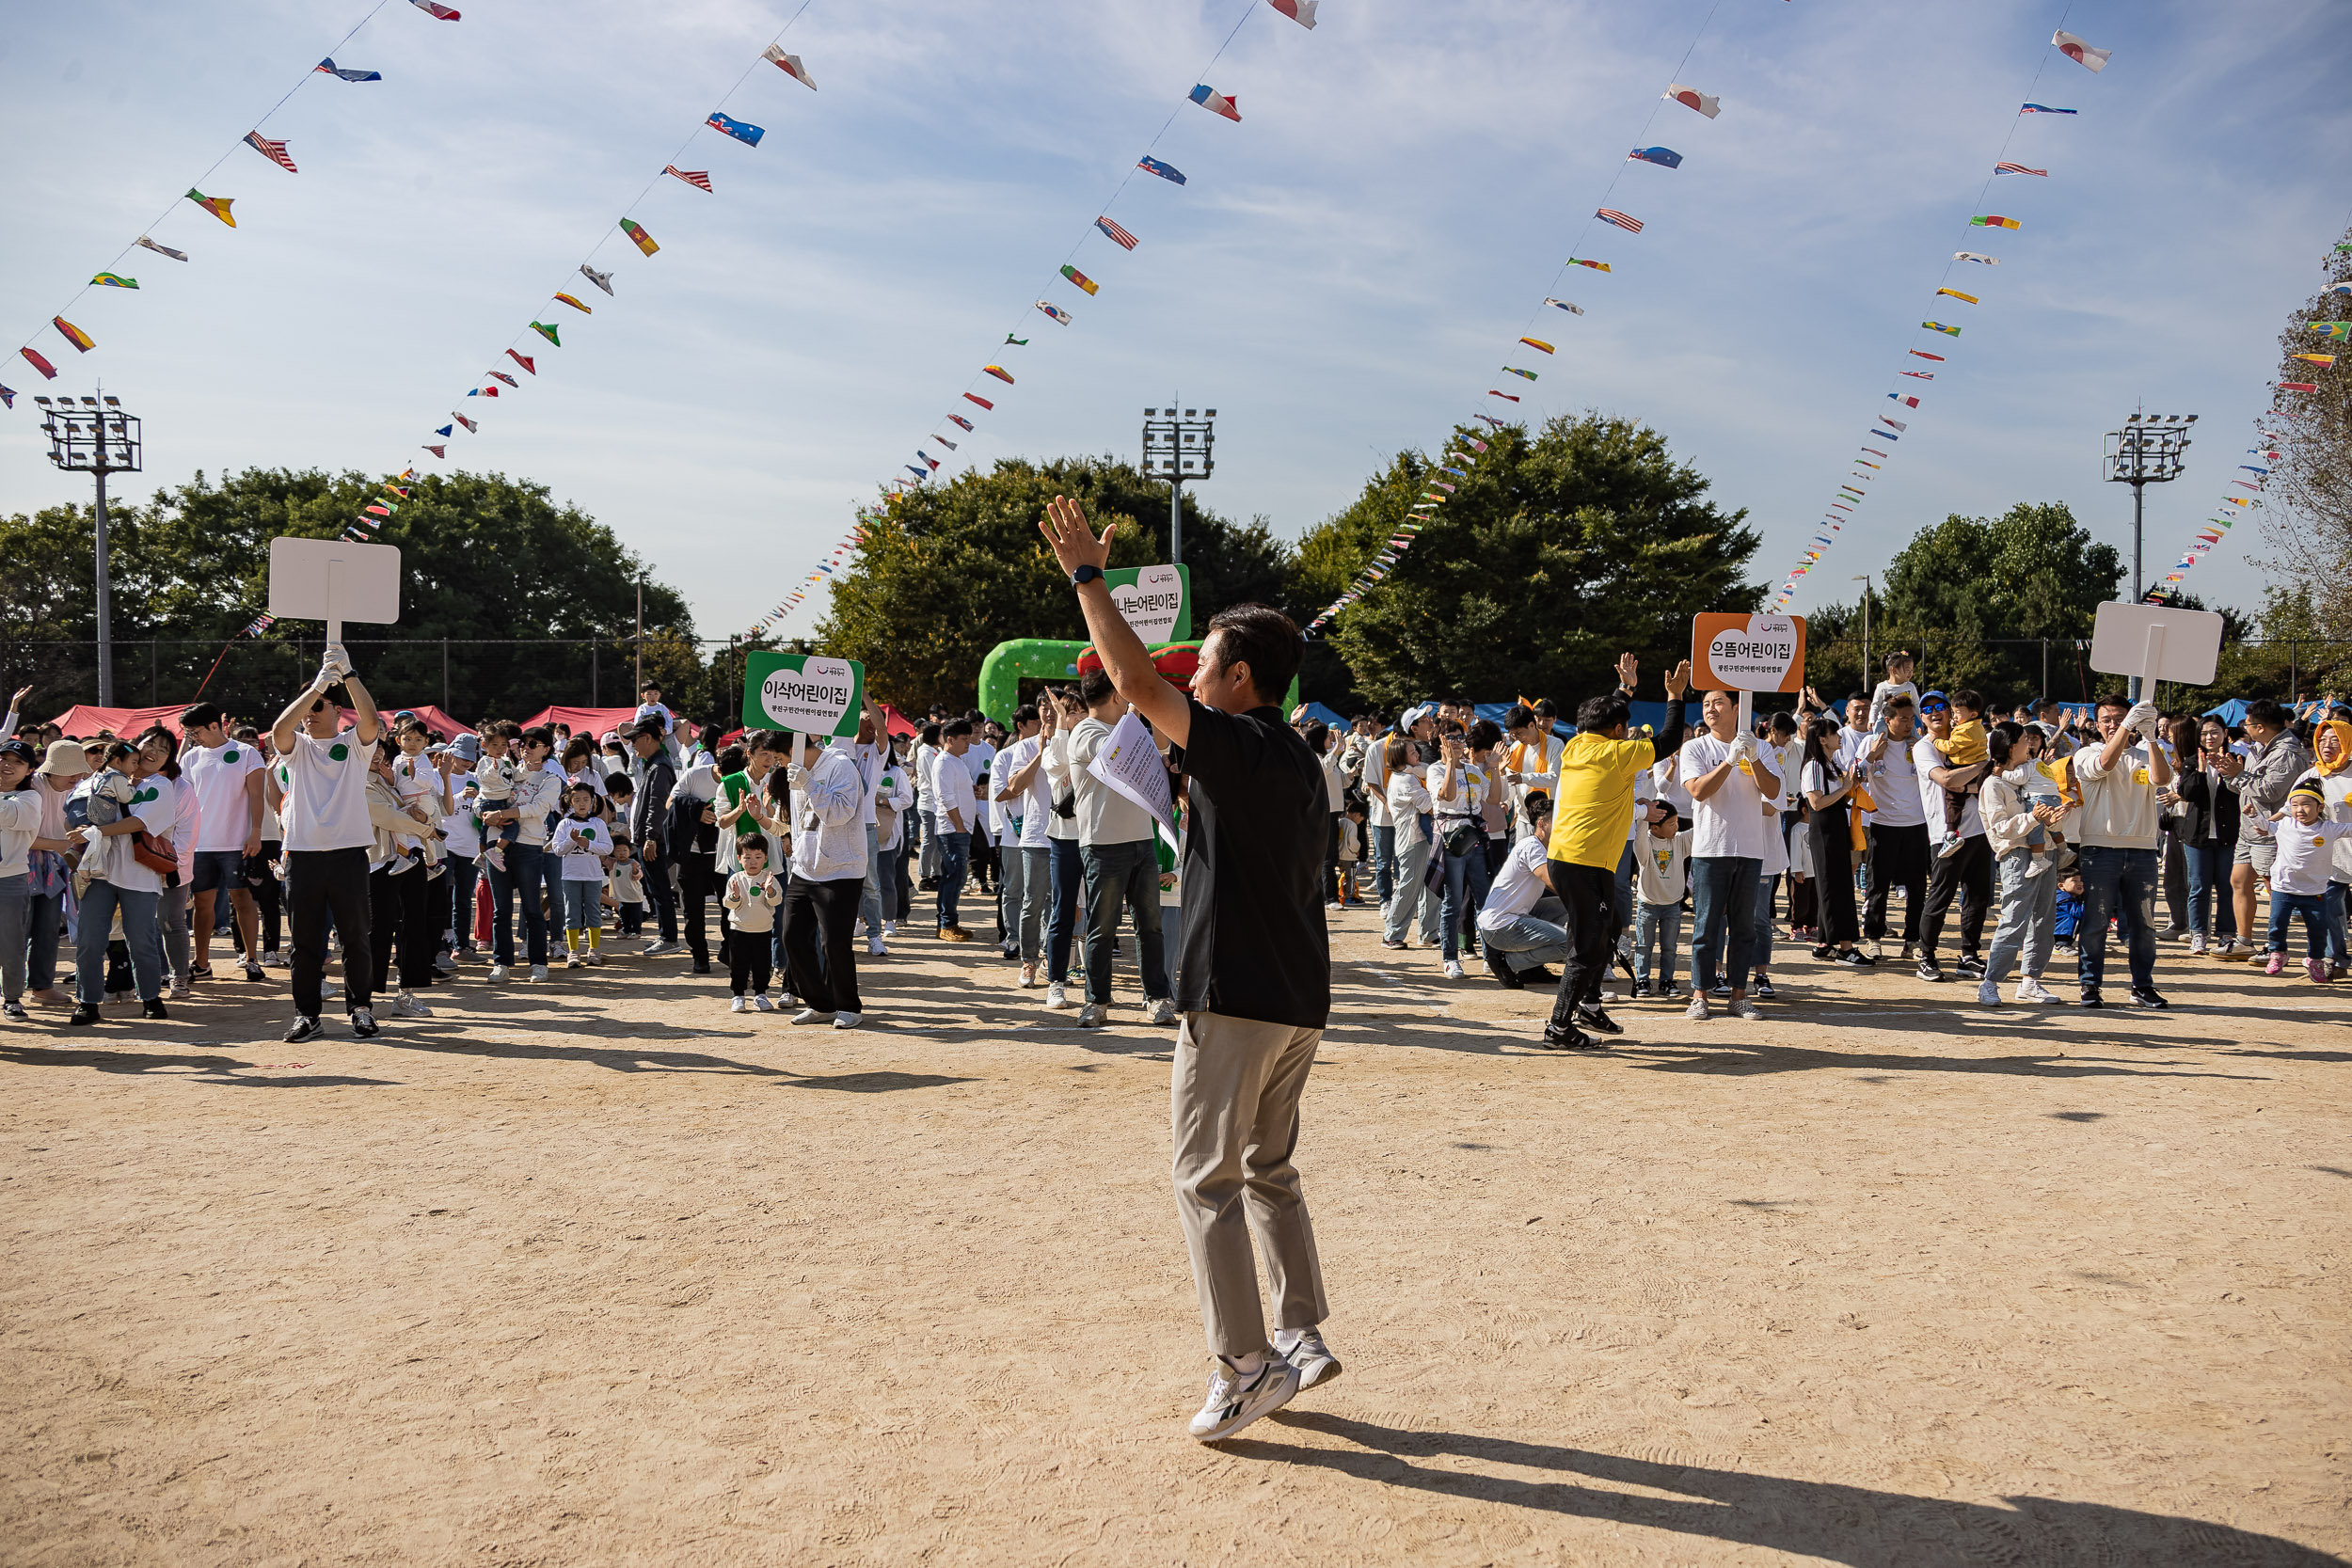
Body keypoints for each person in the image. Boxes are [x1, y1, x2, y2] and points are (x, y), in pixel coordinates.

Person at [1041, 493, 1334, 1444]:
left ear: (1241, 676)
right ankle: (1298, 1332)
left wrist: (1089, 576)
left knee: (1203, 1177)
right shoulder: (1290, 753)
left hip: (1239, 992)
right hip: (1294, 996)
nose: (1189, 674)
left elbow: (1126, 675)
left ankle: (1245, 1365)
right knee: (1265, 1164)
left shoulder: (1240, 740)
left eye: (1204, 661)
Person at [1543, 654, 1691, 1049]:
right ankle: (1558, 1026)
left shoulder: (1576, 746)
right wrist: (1675, 696)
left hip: (1576, 860)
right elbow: (1670, 741)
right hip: (1583, 863)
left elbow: (1603, 721)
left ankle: (1589, 1004)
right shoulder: (1619, 753)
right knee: (1588, 945)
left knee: (1605, 930)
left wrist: (1624, 689)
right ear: (1621, 730)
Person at [270, 648, 382, 1040]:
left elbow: (372, 721)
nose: (310, 712)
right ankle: (307, 1015)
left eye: (319, 705)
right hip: (302, 856)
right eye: (307, 707)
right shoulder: (297, 748)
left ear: (338, 710)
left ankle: (361, 1009)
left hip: (349, 854)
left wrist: (348, 673)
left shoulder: (354, 745)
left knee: (355, 938)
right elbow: (278, 731)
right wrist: (317, 684)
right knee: (304, 943)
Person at [1067, 671, 1174, 1026]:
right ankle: (1096, 1001)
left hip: (1141, 841)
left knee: (1150, 926)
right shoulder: (1085, 731)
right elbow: (1115, 754)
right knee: (1103, 927)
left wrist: (1154, 709)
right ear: (1115, 696)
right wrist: (1138, 710)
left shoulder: (1131, 727)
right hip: (1102, 844)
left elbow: (1160, 750)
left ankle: (1157, 998)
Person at [65, 728, 181, 1024]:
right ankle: (88, 1001)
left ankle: (152, 998)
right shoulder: (98, 780)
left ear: (169, 759)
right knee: (90, 940)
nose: (153, 751)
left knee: (141, 940)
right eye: (149, 743)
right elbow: (72, 812)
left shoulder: (159, 786)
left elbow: (139, 822)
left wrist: (94, 831)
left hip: (139, 874)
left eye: (163, 749)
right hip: (98, 873)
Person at [1680, 689, 1780, 1021]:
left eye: (1718, 702)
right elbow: (1698, 790)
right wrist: (1729, 760)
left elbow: (1774, 791)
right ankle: (1700, 994)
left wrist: (1752, 758)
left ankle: (1739, 995)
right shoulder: (1696, 746)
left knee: (1744, 928)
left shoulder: (1760, 746)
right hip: (1710, 848)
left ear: (1737, 708)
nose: (1710, 709)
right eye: (1706, 704)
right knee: (1706, 926)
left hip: (1750, 849)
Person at [2071, 692, 2171, 1008]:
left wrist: (2152, 737)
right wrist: (2127, 727)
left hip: (2142, 849)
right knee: (2096, 921)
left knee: (2144, 924)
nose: (2113, 725)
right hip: (2100, 849)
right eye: (2107, 720)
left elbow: (2162, 778)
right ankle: (2090, 985)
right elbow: (2105, 764)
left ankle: (2142, 985)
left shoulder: (2143, 752)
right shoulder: (2087, 753)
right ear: (2096, 724)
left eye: (2120, 718)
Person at [778, 727, 869, 1027]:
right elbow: (803, 819)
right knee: (792, 937)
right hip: (804, 868)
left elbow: (841, 813)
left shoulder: (841, 766)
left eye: (778, 756)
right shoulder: (795, 771)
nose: (777, 763)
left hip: (841, 868)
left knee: (834, 942)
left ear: (793, 749)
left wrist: (809, 784)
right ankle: (821, 1004)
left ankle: (849, 1007)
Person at [1976, 722, 2067, 1005]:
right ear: (2011, 746)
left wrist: (2053, 817)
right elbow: (2000, 827)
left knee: (2044, 920)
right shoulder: (1994, 784)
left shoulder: (2028, 775)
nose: (2031, 744)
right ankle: (1990, 982)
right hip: (2017, 856)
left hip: (2046, 853)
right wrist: (2034, 818)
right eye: (2026, 740)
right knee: (2014, 920)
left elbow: (2045, 814)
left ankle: (2030, 981)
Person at [178, 703, 267, 985]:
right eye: (189, 732)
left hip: (237, 842)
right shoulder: (190, 758)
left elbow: (256, 796)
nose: (193, 737)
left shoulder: (246, 753)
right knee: (203, 903)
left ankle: (251, 959)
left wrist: (255, 832)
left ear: (215, 725)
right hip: (200, 843)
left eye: (196, 731)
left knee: (243, 899)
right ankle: (201, 963)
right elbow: (183, 799)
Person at [2220, 700, 2312, 959]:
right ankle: (2243, 941)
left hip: (2273, 832)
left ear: (2260, 727)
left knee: (2276, 891)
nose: (2245, 727)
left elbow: (2272, 790)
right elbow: (2245, 786)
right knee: (2239, 881)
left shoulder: (2288, 752)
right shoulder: (2257, 748)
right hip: (2249, 830)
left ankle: (2276, 946)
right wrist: (2229, 773)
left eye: (2247, 724)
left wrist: (2239, 775)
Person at [1914, 691, 1993, 984]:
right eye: (1927, 710)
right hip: (1946, 835)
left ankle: (1969, 956)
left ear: (1952, 712)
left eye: (1940, 707)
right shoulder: (1925, 748)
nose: (1935, 713)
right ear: (1923, 718)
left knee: (1978, 897)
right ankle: (1926, 956)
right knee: (1940, 896)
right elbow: (1947, 780)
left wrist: (1973, 778)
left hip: (1980, 829)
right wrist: (1982, 766)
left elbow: (1981, 782)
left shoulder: (1968, 737)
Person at [366, 737, 443, 1014]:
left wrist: (422, 821)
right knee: (379, 929)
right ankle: (365, 999)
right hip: (380, 863)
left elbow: (421, 808)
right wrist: (425, 829)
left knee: (415, 925)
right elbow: (387, 817)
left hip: (413, 857)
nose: (377, 759)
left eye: (380, 754)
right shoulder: (358, 784)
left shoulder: (392, 781)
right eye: (371, 754)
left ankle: (406, 994)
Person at [2162, 716, 2240, 957]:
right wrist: (2201, 771)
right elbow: (2187, 793)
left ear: (2225, 733)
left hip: (2228, 834)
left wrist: (2227, 772)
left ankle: (2226, 933)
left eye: (2214, 732)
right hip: (2197, 834)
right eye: (2205, 733)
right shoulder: (2191, 762)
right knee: (2198, 887)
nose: (2209, 738)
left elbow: (2239, 791)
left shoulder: (2236, 760)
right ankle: (2198, 934)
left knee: (2227, 887)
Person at [1859, 694, 1928, 959]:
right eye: (1903, 718)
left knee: (1917, 886)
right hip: (1882, 823)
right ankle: (1874, 937)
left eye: (1912, 718)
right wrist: (1874, 755)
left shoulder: (1920, 745)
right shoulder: (1871, 743)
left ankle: (1913, 940)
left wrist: (1917, 751)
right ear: (1888, 720)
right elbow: (1855, 776)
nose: (1909, 723)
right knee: (1878, 884)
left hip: (1916, 823)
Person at [23, 739, 90, 1005]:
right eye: (70, 771)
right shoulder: (30, 787)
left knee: (48, 927)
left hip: (55, 866)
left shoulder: (76, 790)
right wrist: (61, 846)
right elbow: (17, 837)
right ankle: (13, 988)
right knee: (15, 929)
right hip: (20, 865)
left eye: (78, 771)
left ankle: (41, 986)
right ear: (52, 769)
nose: (77, 777)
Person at [1475, 794, 1565, 988]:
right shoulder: (1532, 847)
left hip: (1516, 915)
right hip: (1500, 926)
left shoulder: (1547, 847)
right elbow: (1553, 883)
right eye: (1557, 820)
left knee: (1564, 906)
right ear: (1541, 824)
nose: (1562, 825)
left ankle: (1530, 969)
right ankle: (1509, 962)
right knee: (1569, 943)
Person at [993, 703, 1055, 986]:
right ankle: (1028, 959)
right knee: (1032, 900)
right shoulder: (1025, 747)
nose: (1050, 713)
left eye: (1056, 707)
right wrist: (1041, 754)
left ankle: (1052, 958)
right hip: (1034, 835)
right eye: (1044, 707)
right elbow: (1014, 786)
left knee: (1061, 903)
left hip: (1069, 835)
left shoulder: (1074, 741)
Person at [1799, 716, 1867, 968]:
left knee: (1835, 884)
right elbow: (1815, 802)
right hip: (1825, 829)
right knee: (1834, 887)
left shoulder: (1828, 764)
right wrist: (1844, 788)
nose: (1839, 737)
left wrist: (1849, 785)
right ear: (1822, 739)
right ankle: (1845, 948)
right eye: (1834, 733)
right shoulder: (1814, 765)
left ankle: (1824, 944)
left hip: (1835, 827)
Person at [2264, 783, 2348, 979]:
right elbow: (2266, 826)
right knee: (2277, 923)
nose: (2300, 809)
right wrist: (2252, 816)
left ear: (2320, 807)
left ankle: (2315, 960)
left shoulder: (2329, 828)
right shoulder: (2284, 824)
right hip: (2283, 888)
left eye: (2306, 804)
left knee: (2318, 930)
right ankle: (2278, 954)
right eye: (2294, 805)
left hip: (2315, 891)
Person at [1430, 725, 1493, 980]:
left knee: (1485, 899)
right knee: (1452, 901)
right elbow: (1447, 795)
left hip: (1474, 836)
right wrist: (1450, 764)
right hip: (1451, 839)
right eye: (1451, 738)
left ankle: (1491, 957)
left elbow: (1494, 797)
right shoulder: (1434, 769)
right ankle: (1450, 959)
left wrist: (1497, 769)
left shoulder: (1474, 770)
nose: (1457, 742)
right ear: (1440, 742)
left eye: (1460, 738)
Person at [621, 721, 681, 957]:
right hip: (651, 838)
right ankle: (666, 936)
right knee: (657, 889)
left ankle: (668, 938)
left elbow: (657, 806)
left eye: (635, 739)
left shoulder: (659, 766)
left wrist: (651, 838)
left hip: (654, 840)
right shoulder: (655, 764)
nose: (632, 744)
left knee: (660, 890)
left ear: (647, 737)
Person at [549, 781, 615, 967]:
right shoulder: (565, 824)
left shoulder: (598, 823)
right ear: (570, 802)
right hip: (570, 876)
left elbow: (608, 847)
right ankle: (573, 951)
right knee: (572, 914)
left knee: (593, 912)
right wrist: (572, 841)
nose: (581, 803)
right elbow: (557, 849)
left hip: (593, 876)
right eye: (577, 800)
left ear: (592, 801)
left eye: (586, 799)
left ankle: (593, 949)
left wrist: (589, 844)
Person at [1378, 733, 1434, 952]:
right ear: (1401, 758)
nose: (1417, 754)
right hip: (1412, 840)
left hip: (1420, 838)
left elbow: (1425, 769)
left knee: (1430, 886)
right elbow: (1429, 805)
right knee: (1408, 888)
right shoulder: (1406, 779)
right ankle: (1391, 934)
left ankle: (1429, 933)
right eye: (1412, 752)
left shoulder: (1407, 774)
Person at [1630, 807, 1689, 1000]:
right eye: (1671, 824)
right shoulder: (1645, 842)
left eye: (1677, 822)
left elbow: (1701, 831)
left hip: (1673, 905)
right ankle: (1643, 980)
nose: (1676, 827)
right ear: (1654, 828)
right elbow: (1639, 838)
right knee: (1643, 945)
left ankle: (1666, 980)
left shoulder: (1679, 841)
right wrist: (1644, 814)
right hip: (1648, 904)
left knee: (1670, 947)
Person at [930, 719, 978, 942]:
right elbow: (945, 797)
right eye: (964, 739)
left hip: (959, 828)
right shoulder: (944, 762)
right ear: (950, 739)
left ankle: (949, 922)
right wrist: (959, 826)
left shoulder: (956, 761)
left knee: (956, 876)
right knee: (953, 876)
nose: (968, 743)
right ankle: (947, 924)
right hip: (952, 829)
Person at [721, 837, 782, 1010]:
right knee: (738, 965)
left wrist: (770, 890)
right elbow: (728, 903)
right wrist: (735, 896)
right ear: (739, 858)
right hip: (739, 930)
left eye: (757, 856)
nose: (752, 862)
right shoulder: (735, 879)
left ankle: (760, 995)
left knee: (762, 965)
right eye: (747, 857)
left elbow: (776, 901)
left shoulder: (769, 878)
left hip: (763, 930)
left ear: (765, 858)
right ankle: (738, 995)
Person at [1867, 651, 1918, 729]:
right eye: (1907, 670)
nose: (1910, 673)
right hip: (1885, 721)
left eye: (1912, 670)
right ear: (1894, 670)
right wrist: (1872, 720)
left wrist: (1924, 721)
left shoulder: (1910, 687)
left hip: (1906, 721)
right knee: (1880, 735)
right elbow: (1876, 705)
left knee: (1916, 738)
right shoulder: (1882, 687)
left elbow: (1916, 705)